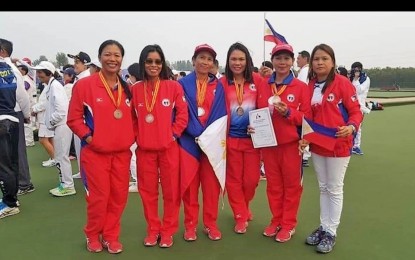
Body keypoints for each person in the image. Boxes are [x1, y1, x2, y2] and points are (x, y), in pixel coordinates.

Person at [67, 40, 135, 254]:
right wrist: (89, 138)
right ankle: (92, 234)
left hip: (122, 154)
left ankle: (110, 236)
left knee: (119, 197)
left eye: (117, 55)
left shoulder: (127, 88)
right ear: (99, 57)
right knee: (98, 198)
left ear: (122, 59)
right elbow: (74, 118)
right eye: (108, 54)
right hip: (96, 154)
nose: (112, 59)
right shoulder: (85, 85)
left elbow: (134, 119)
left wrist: (129, 137)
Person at [298, 43, 363, 254]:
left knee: (334, 189)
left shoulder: (343, 83)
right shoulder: (310, 86)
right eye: (316, 59)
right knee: (323, 188)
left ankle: (331, 232)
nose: (319, 62)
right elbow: (307, 116)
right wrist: (305, 137)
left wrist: (352, 126)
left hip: (338, 145)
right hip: (318, 145)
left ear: (332, 61)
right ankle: (324, 227)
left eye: (324, 58)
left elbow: (356, 111)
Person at [251, 43, 311, 243]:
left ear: (292, 60)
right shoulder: (263, 85)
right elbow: (255, 111)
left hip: (291, 145)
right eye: (278, 58)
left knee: (292, 187)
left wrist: (289, 113)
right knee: (274, 186)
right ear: (273, 60)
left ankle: (288, 224)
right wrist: (252, 127)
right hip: (268, 145)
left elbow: (308, 119)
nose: (282, 62)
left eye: (286, 58)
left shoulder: (301, 88)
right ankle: (276, 220)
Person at [131, 44, 188, 248]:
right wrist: (139, 136)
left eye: (157, 61)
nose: (153, 65)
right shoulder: (135, 89)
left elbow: (182, 114)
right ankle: (153, 229)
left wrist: (173, 135)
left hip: (168, 149)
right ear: (143, 63)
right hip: (145, 150)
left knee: (171, 192)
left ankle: (168, 231)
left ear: (162, 64)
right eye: (149, 61)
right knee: (148, 193)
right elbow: (131, 119)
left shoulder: (173, 87)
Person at [178, 43, 227, 242]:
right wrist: (196, 133)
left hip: (211, 144)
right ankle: (190, 226)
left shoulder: (219, 86)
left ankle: (210, 224)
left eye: (209, 59)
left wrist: (208, 137)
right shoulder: (183, 84)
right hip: (189, 141)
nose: (205, 62)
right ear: (193, 60)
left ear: (213, 63)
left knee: (211, 187)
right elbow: (182, 112)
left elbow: (222, 114)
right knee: (190, 187)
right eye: (201, 57)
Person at [220, 42, 263, 234]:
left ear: (247, 61)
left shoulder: (258, 80)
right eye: (233, 59)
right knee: (234, 180)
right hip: (230, 139)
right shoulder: (222, 83)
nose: (237, 63)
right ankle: (240, 214)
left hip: (253, 139)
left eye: (241, 59)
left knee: (252, 180)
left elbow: (266, 106)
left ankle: (243, 207)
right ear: (228, 61)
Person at [33, 61, 75, 197]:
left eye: (40, 72)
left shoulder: (55, 86)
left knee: (61, 156)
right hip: (58, 125)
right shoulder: (51, 86)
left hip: (62, 125)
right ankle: (65, 183)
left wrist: (50, 121)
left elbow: (62, 110)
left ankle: (68, 185)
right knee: (59, 156)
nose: (38, 75)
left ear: (49, 73)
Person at [0, 38, 35, 196]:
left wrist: (26, 115)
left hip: (12, 113)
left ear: (3, 51)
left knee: (16, 152)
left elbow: (21, 96)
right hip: (10, 114)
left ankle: (24, 183)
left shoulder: (11, 69)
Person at [67, 51, 91, 179]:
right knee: (78, 148)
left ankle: (86, 174)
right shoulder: (80, 77)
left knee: (84, 149)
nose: (74, 65)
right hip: (79, 119)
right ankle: (83, 172)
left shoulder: (85, 78)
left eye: (77, 62)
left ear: (85, 64)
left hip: (84, 120)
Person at [349, 61, 370, 155]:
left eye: (357, 69)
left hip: (360, 106)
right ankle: (349, 144)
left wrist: (356, 79)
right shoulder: (350, 78)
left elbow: (359, 90)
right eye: (354, 69)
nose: (356, 71)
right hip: (349, 104)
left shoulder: (365, 79)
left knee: (358, 127)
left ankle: (356, 146)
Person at [296, 50, 311, 167]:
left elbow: (300, 88)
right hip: (307, 102)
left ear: (305, 58)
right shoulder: (307, 70)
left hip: (303, 104)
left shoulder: (305, 70)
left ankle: (305, 154)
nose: (297, 60)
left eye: (299, 58)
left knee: (304, 129)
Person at [126, 62, 140, 193]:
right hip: (142, 128)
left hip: (134, 128)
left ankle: (138, 182)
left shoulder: (134, 89)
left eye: (129, 75)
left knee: (133, 155)